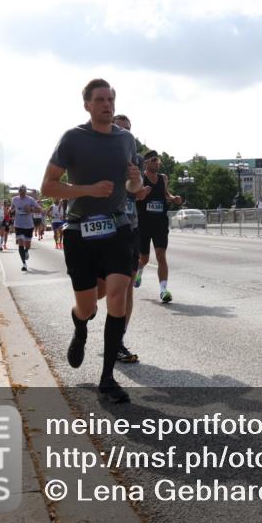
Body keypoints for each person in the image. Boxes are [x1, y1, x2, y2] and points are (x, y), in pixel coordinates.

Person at [41, 78, 141, 404]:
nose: (107, 104)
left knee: (117, 294)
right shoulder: (73, 138)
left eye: (110, 99)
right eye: (100, 99)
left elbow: (133, 188)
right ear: (87, 105)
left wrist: (135, 180)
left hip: (117, 228)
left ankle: (107, 378)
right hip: (79, 231)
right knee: (87, 305)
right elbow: (48, 186)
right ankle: (80, 325)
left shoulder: (126, 140)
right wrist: (88, 190)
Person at [102, 113, 142, 364]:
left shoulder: (136, 159)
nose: (124, 132)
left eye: (128, 129)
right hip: (102, 228)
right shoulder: (97, 156)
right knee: (97, 291)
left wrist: (138, 185)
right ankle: (82, 318)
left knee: (126, 287)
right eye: (119, 127)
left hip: (129, 228)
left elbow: (136, 191)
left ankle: (117, 340)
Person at [135, 150, 183, 303]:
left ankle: (163, 291)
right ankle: (139, 271)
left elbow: (165, 194)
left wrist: (173, 198)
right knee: (144, 258)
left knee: (161, 255)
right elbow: (133, 197)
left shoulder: (163, 178)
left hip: (160, 223)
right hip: (143, 223)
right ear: (146, 162)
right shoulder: (140, 178)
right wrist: (141, 193)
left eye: (158, 160)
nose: (157, 163)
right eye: (154, 160)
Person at [11, 185, 44, 272]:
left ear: (25, 191)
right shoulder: (14, 199)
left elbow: (39, 209)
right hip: (18, 224)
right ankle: (24, 264)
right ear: (18, 191)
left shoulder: (30, 199)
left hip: (29, 225)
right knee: (20, 244)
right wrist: (11, 210)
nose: (22, 192)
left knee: (28, 246)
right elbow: (12, 208)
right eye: (20, 191)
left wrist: (30, 209)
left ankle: (26, 251)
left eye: (23, 191)